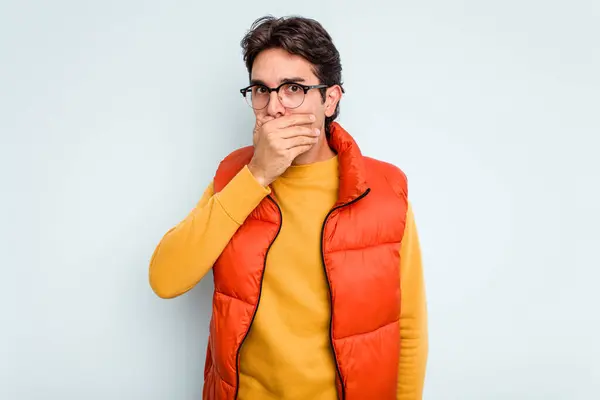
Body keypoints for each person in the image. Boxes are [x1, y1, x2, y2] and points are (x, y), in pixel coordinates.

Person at [149, 15, 428, 400]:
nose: (274, 107)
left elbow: (408, 324)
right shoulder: (234, 176)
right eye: (261, 90)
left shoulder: (385, 188)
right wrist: (258, 175)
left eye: (293, 88)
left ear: (330, 99)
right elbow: (166, 279)